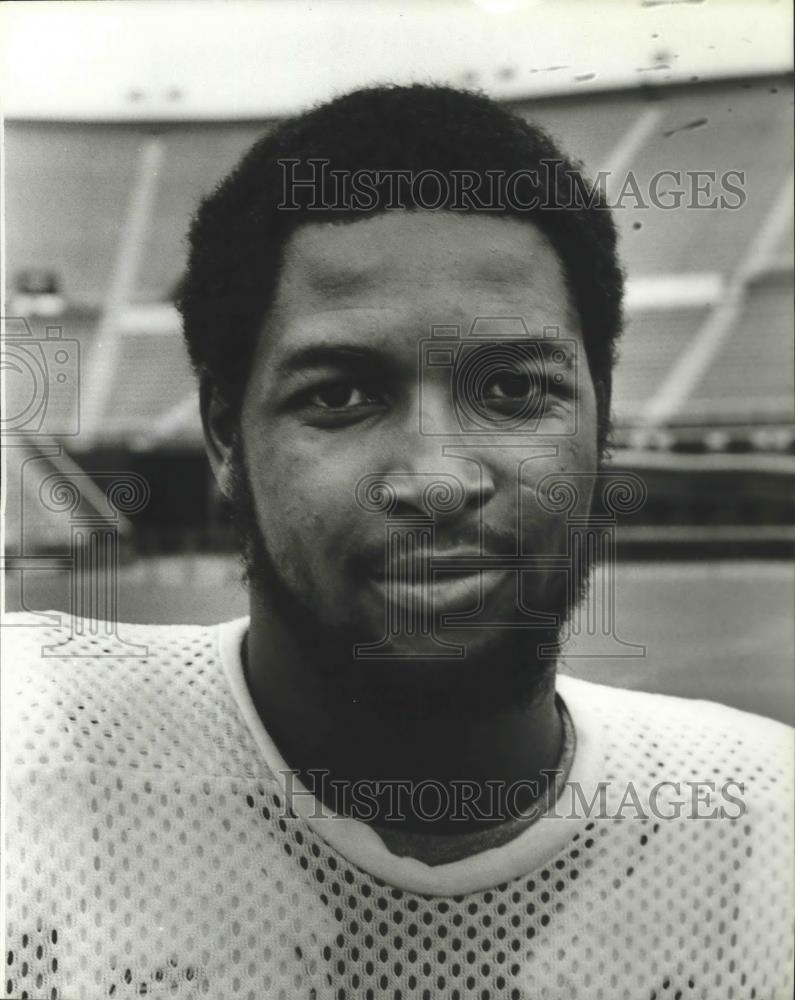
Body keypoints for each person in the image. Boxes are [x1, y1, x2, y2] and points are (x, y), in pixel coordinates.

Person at [3, 84, 792, 1000]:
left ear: (601, 417)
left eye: (512, 392)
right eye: (338, 396)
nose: (436, 479)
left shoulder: (764, 830)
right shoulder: (34, 767)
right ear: (226, 438)